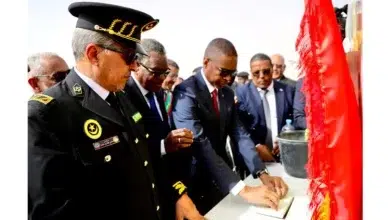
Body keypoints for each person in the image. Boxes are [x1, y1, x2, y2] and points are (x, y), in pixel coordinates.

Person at [28, 2, 171, 219]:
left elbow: (144, 166)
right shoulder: (46, 114)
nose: (134, 67)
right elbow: (54, 211)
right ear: (94, 54)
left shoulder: (121, 96)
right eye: (130, 57)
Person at [171, 38, 289, 214]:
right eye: (223, 72)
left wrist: (262, 173)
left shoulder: (226, 93)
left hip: (221, 177)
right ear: (206, 62)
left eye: (232, 74)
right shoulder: (186, 91)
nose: (227, 79)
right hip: (194, 179)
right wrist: (244, 190)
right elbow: (200, 143)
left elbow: (239, 133)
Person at [124, 38, 203, 220]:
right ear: (137, 64)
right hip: (145, 185)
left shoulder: (157, 91)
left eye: (164, 72)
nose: (162, 78)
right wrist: (163, 145)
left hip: (168, 179)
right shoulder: (123, 95)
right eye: (156, 72)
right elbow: (132, 149)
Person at [236, 53, 295, 162]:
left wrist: (286, 140)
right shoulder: (242, 92)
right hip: (256, 157)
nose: (262, 76)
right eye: (256, 73)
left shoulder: (288, 90)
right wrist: (257, 145)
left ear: (272, 69)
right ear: (251, 73)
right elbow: (241, 126)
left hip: (286, 155)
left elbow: (295, 119)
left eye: (266, 71)